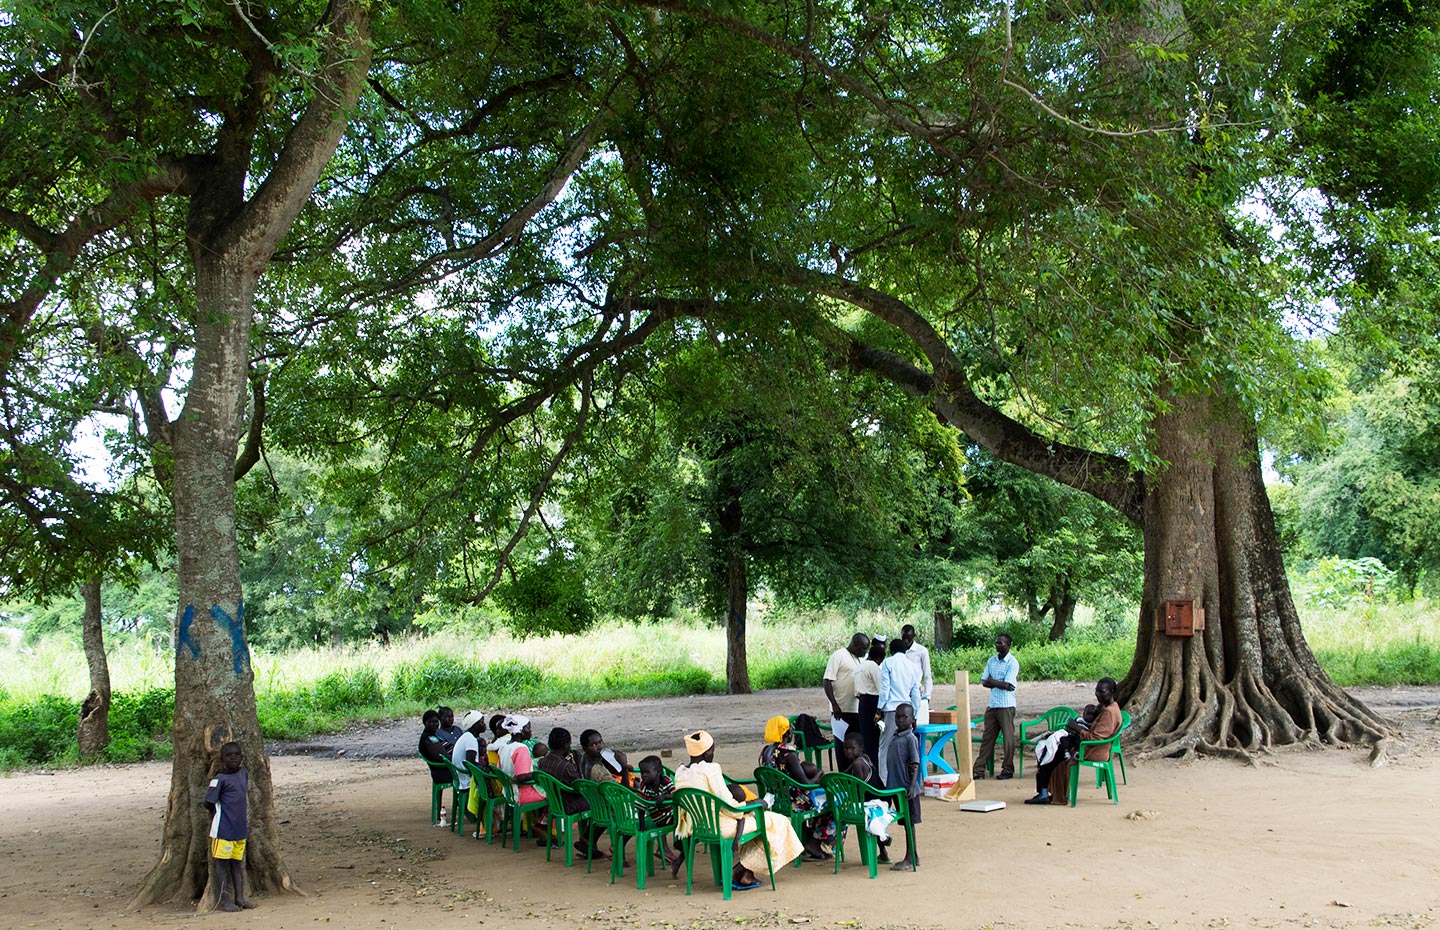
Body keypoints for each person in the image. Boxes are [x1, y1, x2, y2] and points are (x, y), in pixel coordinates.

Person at [673, 729, 805, 888]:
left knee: (759, 823)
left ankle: (746, 873)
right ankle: (740, 869)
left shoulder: (680, 772)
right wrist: (757, 803)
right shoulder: (710, 769)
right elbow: (731, 808)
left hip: (699, 826)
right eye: (712, 750)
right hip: (722, 826)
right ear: (707, 752)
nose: (713, 754)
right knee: (778, 822)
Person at [1026, 678, 1123, 805]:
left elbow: (1096, 738)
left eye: (1102, 692)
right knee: (1052, 750)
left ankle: (1047, 794)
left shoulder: (1109, 712)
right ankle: (1049, 793)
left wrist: (1077, 728)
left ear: (1112, 692)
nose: (1098, 694)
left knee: (1052, 754)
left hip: (1093, 750)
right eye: (1097, 691)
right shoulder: (1106, 707)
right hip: (1090, 746)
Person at [759, 716, 830, 860]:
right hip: (794, 801)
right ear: (787, 733)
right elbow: (806, 783)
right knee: (829, 804)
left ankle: (806, 840)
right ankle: (814, 842)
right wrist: (819, 773)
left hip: (777, 799)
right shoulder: (789, 755)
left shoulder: (766, 752)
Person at [536, 726, 601, 858]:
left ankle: (588, 840)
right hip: (570, 804)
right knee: (603, 804)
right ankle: (588, 838)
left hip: (555, 803)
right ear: (566, 745)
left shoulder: (543, 761)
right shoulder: (566, 767)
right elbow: (580, 787)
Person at [204, 741, 254, 911]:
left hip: (240, 830)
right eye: (228, 755)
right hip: (223, 830)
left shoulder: (243, 773)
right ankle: (224, 900)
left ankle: (240, 898)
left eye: (236, 755)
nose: (233, 758)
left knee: (237, 864)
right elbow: (208, 803)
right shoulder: (219, 780)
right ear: (222, 758)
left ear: (241, 757)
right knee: (222, 866)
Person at [877, 637, 923, 787]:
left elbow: (885, 688)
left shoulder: (887, 663)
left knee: (885, 746)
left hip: (892, 710)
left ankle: (884, 782)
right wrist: (914, 715)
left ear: (891, 650)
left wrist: (879, 708)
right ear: (905, 650)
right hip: (907, 710)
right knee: (907, 748)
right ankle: (907, 782)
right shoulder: (912, 666)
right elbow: (916, 692)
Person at [974, 633, 1020, 780]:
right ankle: (979, 769)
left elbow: (1009, 685)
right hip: (993, 705)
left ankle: (1007, 769)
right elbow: (985, 682)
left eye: (1001, 643)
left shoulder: (1012, 662)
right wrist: (998, 683)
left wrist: (993, 681)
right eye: (996, 643)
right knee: (987, 739)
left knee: (1008, 739)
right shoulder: (991, 660)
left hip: (1006, 705)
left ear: (1009, 645)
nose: (997, 645)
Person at [881, 703, 921, 872]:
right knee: (905, 823)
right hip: (896, 788)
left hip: (906, 790)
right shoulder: (895, 736)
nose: (900, 720)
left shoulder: (910, 738)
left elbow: (915, 763)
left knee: (909, 823)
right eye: (898, 717)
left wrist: (911, 786)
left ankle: (910, 858)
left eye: (905, 717)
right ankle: (914, 856)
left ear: (912, 720)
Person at [635, 755, 681, 871]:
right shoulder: (644, 786)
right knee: (678, 820)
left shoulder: (666, 781)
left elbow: (676, 795)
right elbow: (641, 806)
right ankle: (671, 846)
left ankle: (672, 845)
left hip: (669, 813)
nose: (643, 775)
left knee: (682, 816)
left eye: (647, 772)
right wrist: (641, 824)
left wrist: (665, 797)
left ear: (657, 772)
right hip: (657, 816)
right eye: (642, 772)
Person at [824, 633, 869, 743]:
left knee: (856, 745)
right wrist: (834, 705)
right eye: (863, 649)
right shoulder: (839, 655)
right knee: (842, 744)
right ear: (855, 645)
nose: (865, 652)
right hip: (841, 711)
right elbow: (827, 680)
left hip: (856, 709)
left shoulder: (859, 659)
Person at [450, 710, 489, 835]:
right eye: (481, 722)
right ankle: (489, 823)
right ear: (474, 725)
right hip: (466, 780)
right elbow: (471, 764)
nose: (484, 724)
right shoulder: (471, 740)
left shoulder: (466, 737)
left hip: (461, 777)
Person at [496, 714, 546, 806]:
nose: (530, 731)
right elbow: (521, 777)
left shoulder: (503, 747)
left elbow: (499, 768)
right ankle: (544, 815)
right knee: (553, 794)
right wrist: (539, 773)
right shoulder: (521, 748)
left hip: (508, 792)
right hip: (521, 794)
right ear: (521, 731)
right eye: (528, 728)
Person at [855, 639, 884, 771]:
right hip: (873, 702)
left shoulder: (859, 667)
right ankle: (875, 768)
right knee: (874, 738)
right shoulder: (873, 666)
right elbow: (881, 688)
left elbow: (856, 692)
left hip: (862, 703)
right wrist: (880, 710)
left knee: (866, 736)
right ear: (878, 658)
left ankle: (867, 767)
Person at [899, 625, 933, 726]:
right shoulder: (899, 650)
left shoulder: (921, 651)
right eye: (904, 638)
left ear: (914, 636)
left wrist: (927, 695)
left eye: (908, 638)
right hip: (901, 690)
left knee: (915, 718)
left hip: (915, 690)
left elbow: (927, 674)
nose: (906, 641)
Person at [419, 710, 453, 786]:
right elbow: (444, 757)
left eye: (435, 722)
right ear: (425, 723)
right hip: (442, 773)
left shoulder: (433, 735)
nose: (433, 724)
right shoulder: (429, 739)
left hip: (443, 770)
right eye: (430, 722)